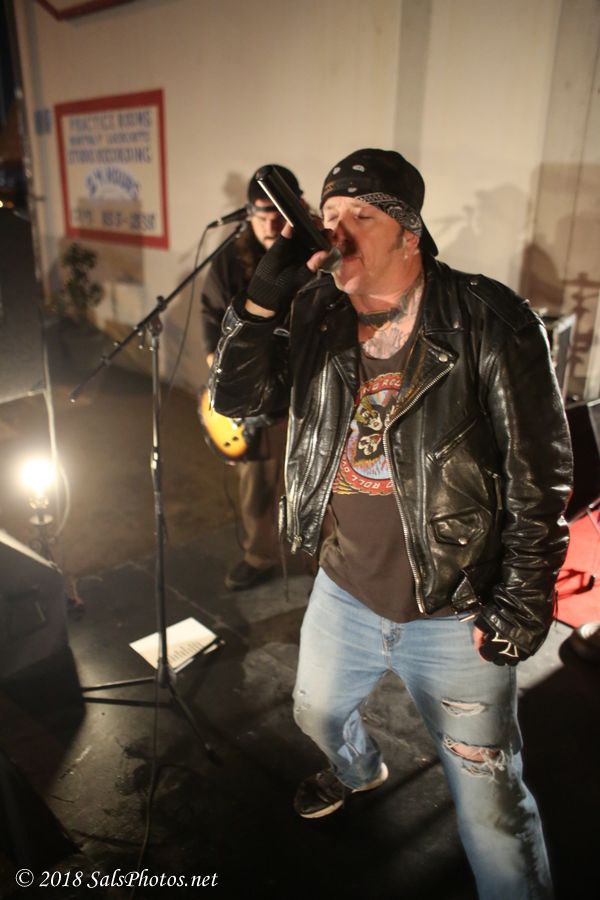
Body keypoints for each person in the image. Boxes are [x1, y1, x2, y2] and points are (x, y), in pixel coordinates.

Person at [209, 149, 573, 898]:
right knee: (315, 711)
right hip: (344, 587)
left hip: (455, 607)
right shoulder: (316, 311)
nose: (336, 231)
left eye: (361, 216)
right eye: (329, 216)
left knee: (491, 802)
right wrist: (259, 307)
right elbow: (241, 405)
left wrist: (520, 602)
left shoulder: (488, 319)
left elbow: (540, 477)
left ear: (410, 233)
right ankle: (356, 769)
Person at [200, 165, 303, 590]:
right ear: (248, 214)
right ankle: (260, 556)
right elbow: (211, 320)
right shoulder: (229, 260)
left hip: (309, 387)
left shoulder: (314, 255)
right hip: (260, 397)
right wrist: (224, 377)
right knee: (258, 481)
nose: (271, 225)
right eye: (262, 215)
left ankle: (331, 560)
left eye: (280, 214)